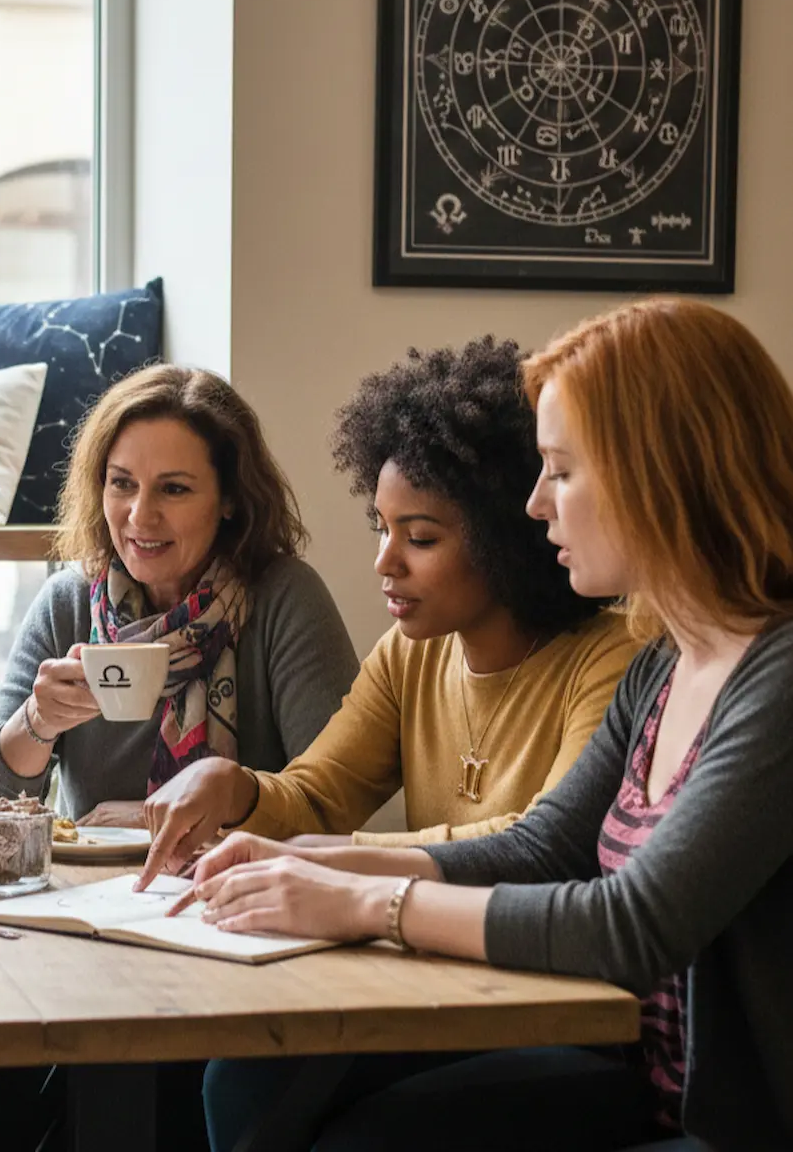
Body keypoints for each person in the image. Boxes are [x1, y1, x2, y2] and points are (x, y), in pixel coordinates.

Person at [193, 300, 793, 1152]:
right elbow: (544, 847)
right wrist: (302, 857)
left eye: (562, 470)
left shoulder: (776, 673)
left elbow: (633, 924)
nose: (537, 504)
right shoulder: (667, 657)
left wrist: (368, 901)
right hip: (638, 1077)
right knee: (289, 1095)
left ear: (659, 470)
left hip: (729, 1121)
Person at [140, 337, 636, 883]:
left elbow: (539, 844)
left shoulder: (612, 659)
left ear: (508, 541)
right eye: (382, 528)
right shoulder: (408, 655)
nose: (385, 562)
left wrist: (326, 856)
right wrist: (238, 787)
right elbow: (318, 795)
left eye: (420, 538)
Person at [0, 363, 358, 827]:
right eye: (122, 483)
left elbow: (336, 803)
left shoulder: (283, 599)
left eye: (173, 489)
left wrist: (152, 818)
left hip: (242, 890)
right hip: (86, 896)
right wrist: (37, 721)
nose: (140, 516)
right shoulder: (68, 602)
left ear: (229, 499)